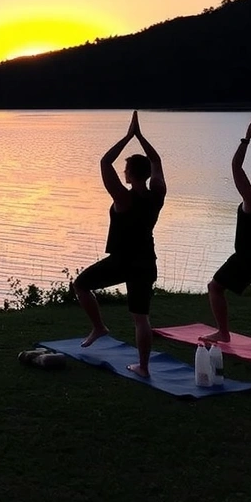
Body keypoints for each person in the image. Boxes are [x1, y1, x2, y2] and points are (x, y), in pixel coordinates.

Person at [74, 111, 166, 378]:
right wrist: (142, 137)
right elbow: (157, 160)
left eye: (126, 171)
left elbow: (105, 162)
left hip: (122, 261)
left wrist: (129, 136)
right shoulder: (157, 194)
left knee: (81, 285)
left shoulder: (123, 199)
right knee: (141, 318)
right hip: (146, 260)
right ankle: (144, 368)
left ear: (128, 175)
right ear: (147, 174)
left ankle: (99, 327)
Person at [201, 116, 251, 368]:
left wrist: (246, 139)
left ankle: (223, 332)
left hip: (247, 256)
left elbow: (236, 166)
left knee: (215, 287)